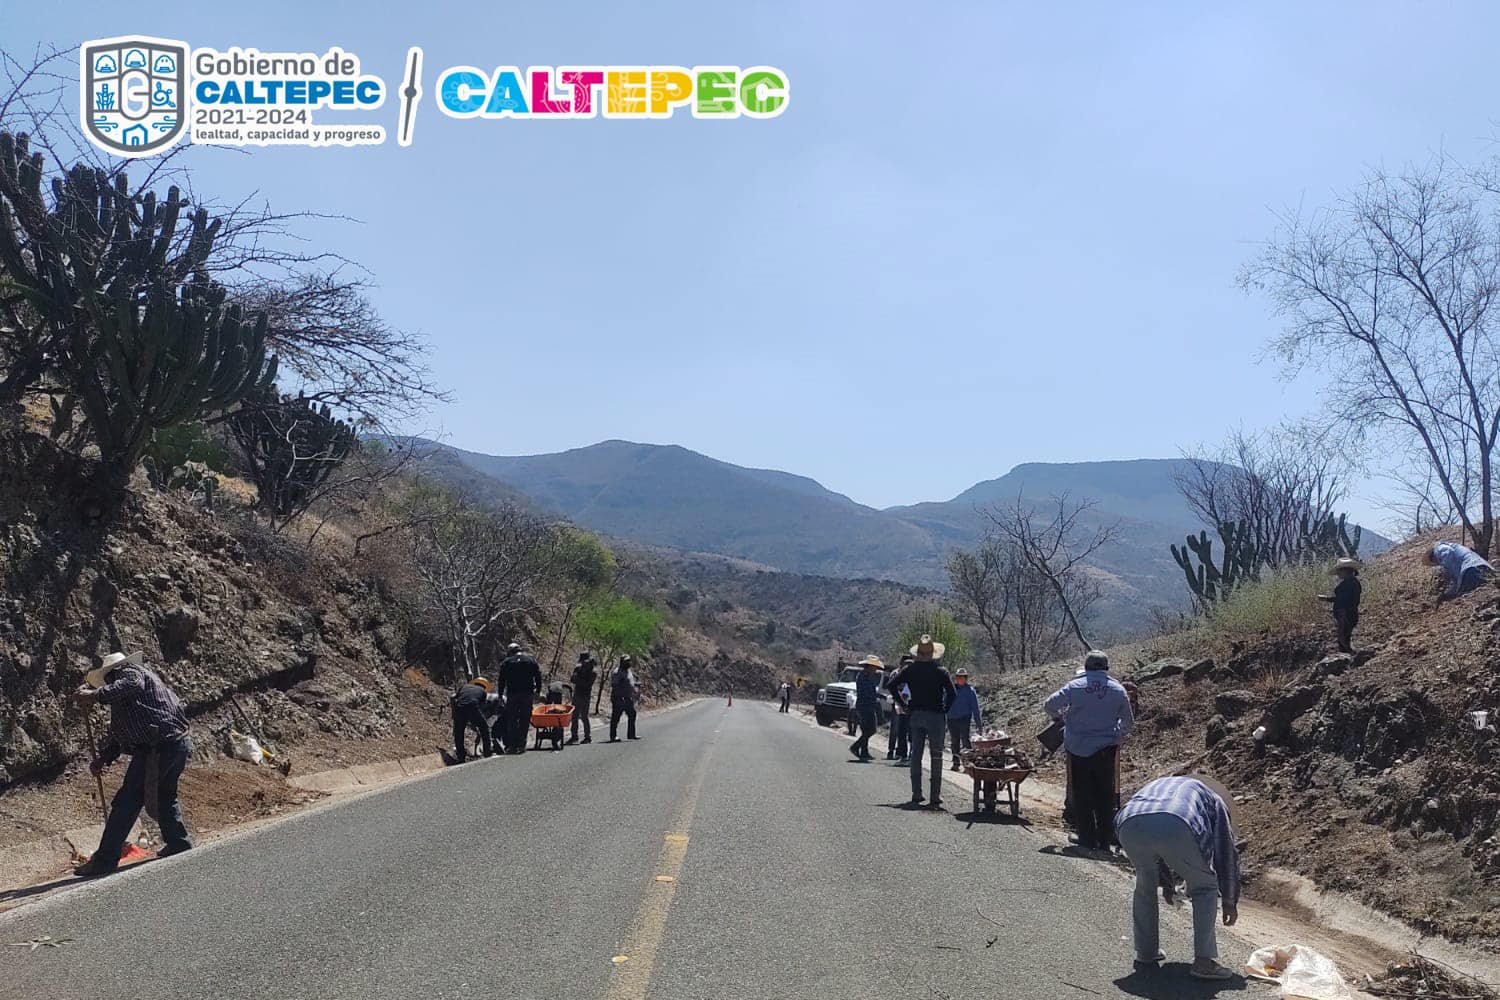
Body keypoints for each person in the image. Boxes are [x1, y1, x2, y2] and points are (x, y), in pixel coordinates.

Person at [71, 651, 193, 876]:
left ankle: (105, 860)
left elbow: (130, 683)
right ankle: (179, 842)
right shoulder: (129, 702)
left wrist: (94, 695)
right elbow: (121, 735)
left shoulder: (129, 673)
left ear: (111, 673)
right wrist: (105, 757)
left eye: (107, 681)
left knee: (127, 801)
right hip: (173, 743)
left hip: (158, 745)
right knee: (165, 794)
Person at [1115, 775, 1241, 981]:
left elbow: (1156, 835)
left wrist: (1167, 885)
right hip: (1176, 822)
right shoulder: (1216, 802)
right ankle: (1204, 961)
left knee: (1145, 884)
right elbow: (1225, 852)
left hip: (1128, 821)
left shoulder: (1165, 784)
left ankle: (1146, 952)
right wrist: (1229, 900)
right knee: (1205, 887)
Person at [1044, 650, 1134, 851]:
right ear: (1106, 668)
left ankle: (1087, 838)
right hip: (1106, 750)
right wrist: (1115, 733)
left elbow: (1049, 705)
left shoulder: (1075, 687)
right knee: (1105, 794)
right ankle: (1104, 840)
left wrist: (1062, 718)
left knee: (1082, 793)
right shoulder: (1118, 690)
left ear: (1085, 667)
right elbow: (1128, 723)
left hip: (1078, 748)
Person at [887, 634, 955, 809]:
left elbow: (891, 685)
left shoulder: (910, 670)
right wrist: (944, 710)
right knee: (936, 755)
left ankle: (917, 793)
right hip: (936, 716)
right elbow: (952, 694)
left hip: (916, 714)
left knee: (916, 754)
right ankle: (935, 796)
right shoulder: (941, 672)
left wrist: (903, 704)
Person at [497, 642, 542, 754]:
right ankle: (522, 745)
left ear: (510, 652)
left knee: (512, 719)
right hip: (527, 694)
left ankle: (512, 745)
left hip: (512, 694)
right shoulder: (530, 660)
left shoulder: (507, 662)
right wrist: (538, 690)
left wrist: (500, 694)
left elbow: (501, 680)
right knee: (524, 719)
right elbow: (538, 675)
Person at [1318, 558, 1362, 654]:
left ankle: (1347, 659)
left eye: (1339, 571)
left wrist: (1327, 598)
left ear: (1345, 570)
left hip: (1346, 614)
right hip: (1347, 614)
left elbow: (1342, 599)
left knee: (1344, 638)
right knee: (1345, 636)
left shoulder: (1351, 583)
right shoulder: (1351, 582)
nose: (1338, 573)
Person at [1429, 541, 1496, 602]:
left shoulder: (1439, 548)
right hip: (1483, 569)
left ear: (1433, 557)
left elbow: (1449, 552)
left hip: (1471, 570)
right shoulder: (1454, 562)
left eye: (1435, 562)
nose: (1438, 563)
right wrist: (1447, 594)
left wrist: (1444, 569)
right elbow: (1456, 584)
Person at [946, 667, 983, 771]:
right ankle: (956, 763)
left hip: (964, 719)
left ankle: (969, 765)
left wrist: (978, 724)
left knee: (966, 741)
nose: (960, 679)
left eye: (962, 677)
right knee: (954, 742)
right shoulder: (951, 689)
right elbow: (945, 703)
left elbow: (975, 708)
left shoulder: (970, 691)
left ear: (966, 678)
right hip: (951, 719)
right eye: (958, 677)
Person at [849, 655, 884, 761]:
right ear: (869, 666)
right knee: (871, 729)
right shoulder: (863, 676)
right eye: (874, 667)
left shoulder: (869, 676)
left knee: (867, 729)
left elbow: (873, 692)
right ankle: (855, 747)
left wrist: (883, 697)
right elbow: (867, 692)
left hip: (869, 705)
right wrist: (877, 698)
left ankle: (864, 752)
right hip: (864, 705)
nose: (876, 669)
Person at [451, 676, 494, 762]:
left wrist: (454, 714)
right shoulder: (483, 692)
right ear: (485, 686)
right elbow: (482, 708)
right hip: (473, 707)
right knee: (485, 728)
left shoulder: (464, 686)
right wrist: (476, 722)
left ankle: (461, 757)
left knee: (458, 733)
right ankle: (487, 752)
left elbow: (453, 697)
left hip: (459, 708)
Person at [887, 654, 913, 762]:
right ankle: (893, 751)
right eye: (906, 663)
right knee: (896, 728)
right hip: (898, 704)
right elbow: (892, 685)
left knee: (910, 730)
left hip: (911, 706)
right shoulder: (896, 673)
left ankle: (906, 753)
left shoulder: (914, 676)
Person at [608, 654, 640, 742]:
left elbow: (629, 682)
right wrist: (619, 697)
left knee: (632, 714)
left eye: (629, 660)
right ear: (622, 662)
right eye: (626, 661)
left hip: (627, 698)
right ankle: (613, 736)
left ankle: (631, 734)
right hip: (619, 698)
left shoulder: (628, 671)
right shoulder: (616, 672)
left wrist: (635, 686)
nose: (628, 662)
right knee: (616, 717)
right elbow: (615, 685)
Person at [568, 652, 597, 744]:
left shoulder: (592, 672)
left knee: (584, 716)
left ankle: (587, 736)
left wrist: (578, 680)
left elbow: (587, 684)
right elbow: (572, 679)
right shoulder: (578, 668)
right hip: (578, 694)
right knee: (575, 716)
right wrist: (578, 679)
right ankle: (574, 736)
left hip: (585, 695)